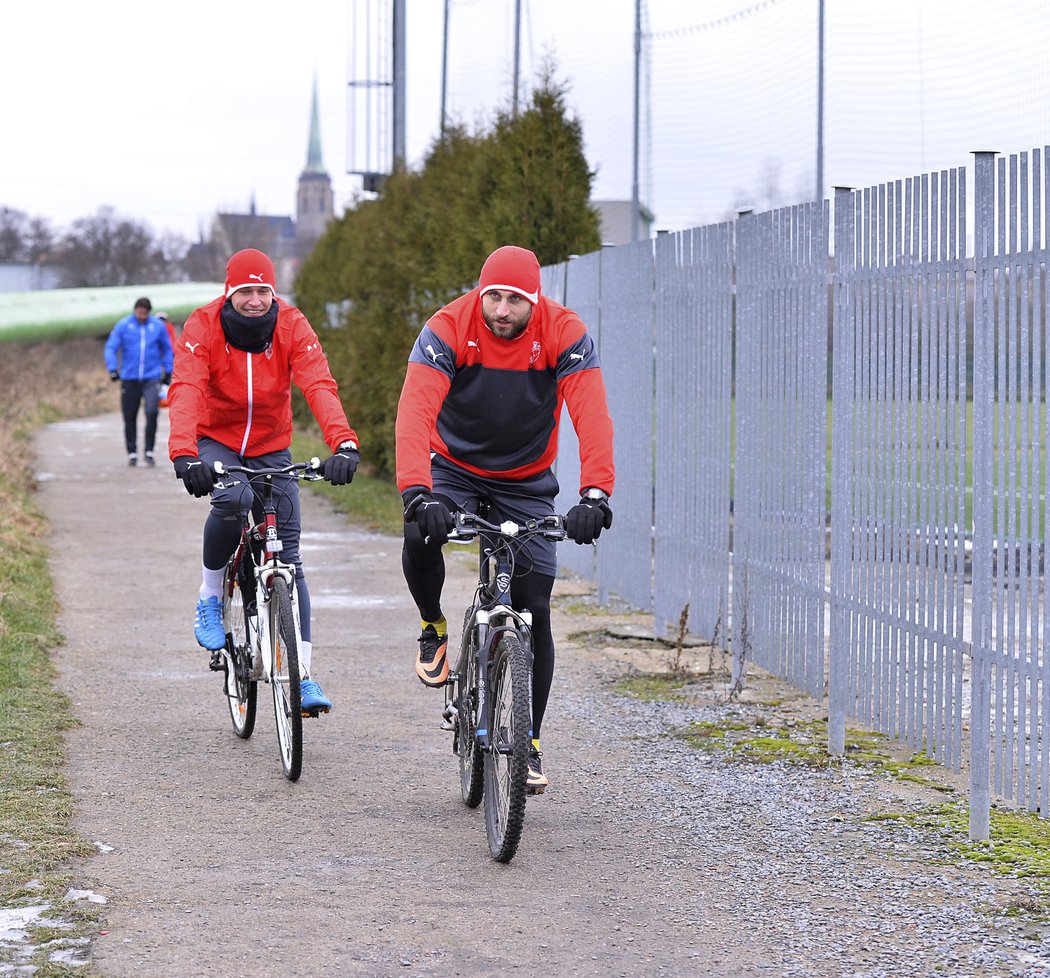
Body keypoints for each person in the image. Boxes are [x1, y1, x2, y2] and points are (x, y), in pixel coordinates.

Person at [395, 244, 615, 793]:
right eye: (492, 296)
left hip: (525, 478)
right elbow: (415, 410)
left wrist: (595, 493)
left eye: (514, 300)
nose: (501, 310)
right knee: (419, 532)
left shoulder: (564, 332)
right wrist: (418, 493)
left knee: (534, 603)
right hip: (456, 468)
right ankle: (433, 626)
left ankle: (530, 738)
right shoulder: (447, 327)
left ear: (533, 300)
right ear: (480, 292)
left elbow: (592, 413)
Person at [166, 248, 360, 714]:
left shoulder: (293, 325)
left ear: (273, 293)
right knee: (232, 499)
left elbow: (318, 385)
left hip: (272, 445)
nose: (255, 301)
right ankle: (211, 593)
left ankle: (303, 676)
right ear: (229, 292)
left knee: (289, 559)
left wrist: (344, 444)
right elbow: (187, 388)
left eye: (263, 291)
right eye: (245, 292)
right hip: (217, 440)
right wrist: (184, 454)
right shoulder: (202, 326)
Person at [103, 297, 174, 466]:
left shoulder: (157, 326)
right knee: (130, 415)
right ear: (135, 311)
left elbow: (167, 348)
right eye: (139, 313)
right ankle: (132, 452)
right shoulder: (124, 325)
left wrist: (168, 370)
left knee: (151, 411)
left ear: (149, 313)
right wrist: (113, 369)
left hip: (152, 376)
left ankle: (149, 451)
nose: (141, 316)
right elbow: (111, 347)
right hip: (129, 377)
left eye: (144, 313)